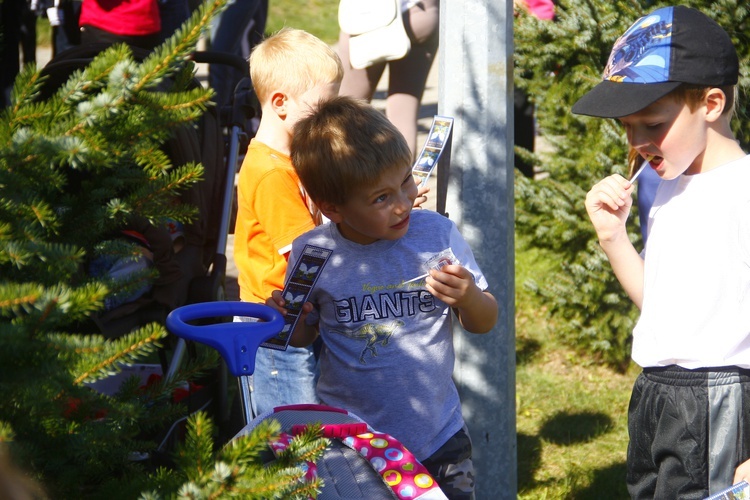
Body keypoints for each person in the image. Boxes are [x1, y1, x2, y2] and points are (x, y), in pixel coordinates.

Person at [268, 96, 498, 498]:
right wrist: (292, 317)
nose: (403, 203)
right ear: (333, 208)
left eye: (406, 180)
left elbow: (485, 320)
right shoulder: (313, 253)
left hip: (438, 440)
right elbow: (301, 338)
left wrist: (468, 297)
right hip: (353, 444)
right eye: (381, 197)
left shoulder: (436, 235)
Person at [574, 6, 750, 498]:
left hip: (717, 397)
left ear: (711, 104)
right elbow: (662, 305)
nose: (637, 142)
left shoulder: (743, 192)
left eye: (652, 123)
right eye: (627, 127)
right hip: (656, 391)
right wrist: (614, 238)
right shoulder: (662, 185)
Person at [232, 28, 345, 417]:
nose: (330, 119)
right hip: (275, 326)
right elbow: (312, 252)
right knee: (294, 436)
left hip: (298, 317)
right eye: (323, 108)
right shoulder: (270, 173)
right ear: (281, 103)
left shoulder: (293, 158)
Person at [337, 0, 438, 158]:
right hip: (421, 13)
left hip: (369, 19)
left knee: (342, 116)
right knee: (403, 114)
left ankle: (339, 178)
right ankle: (403, 181)